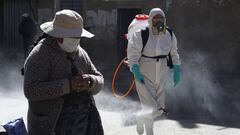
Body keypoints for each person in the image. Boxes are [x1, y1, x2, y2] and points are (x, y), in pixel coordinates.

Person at [23, 9, 104, 135]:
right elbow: (31, 90)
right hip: (53, 125)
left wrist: (91, 81)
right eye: (73, 37)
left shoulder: (80, 52)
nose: (77, 41)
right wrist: (68, 85)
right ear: (58, 36)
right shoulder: (40, 54)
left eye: (79, 37)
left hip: (85, 123)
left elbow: (99, 78)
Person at [127, 8, 181, 135]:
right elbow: (133, 55)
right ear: (150, 19)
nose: (159, 21)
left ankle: (140, 117)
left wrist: (177, 70)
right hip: (144, 74)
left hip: (162, 73)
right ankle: (150, 131)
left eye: (161, 18)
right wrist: (136, 70)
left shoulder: (169, 34)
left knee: (160, 109)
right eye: (156, 18)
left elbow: (174, 53)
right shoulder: (141, 34)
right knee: (150, 107)